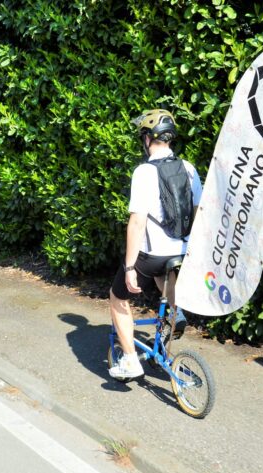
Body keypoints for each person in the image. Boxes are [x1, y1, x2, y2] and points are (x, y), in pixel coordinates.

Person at [108, 109, 203, 379]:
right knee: (166, 272)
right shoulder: (189, 168)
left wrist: (129, 268)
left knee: (117, 297)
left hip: (152, 254)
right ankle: (176, 311)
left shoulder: (144, 172)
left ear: (148, 139)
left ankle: (129, 360)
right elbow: (197, 211)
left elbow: (136, 223)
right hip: (181, 251)